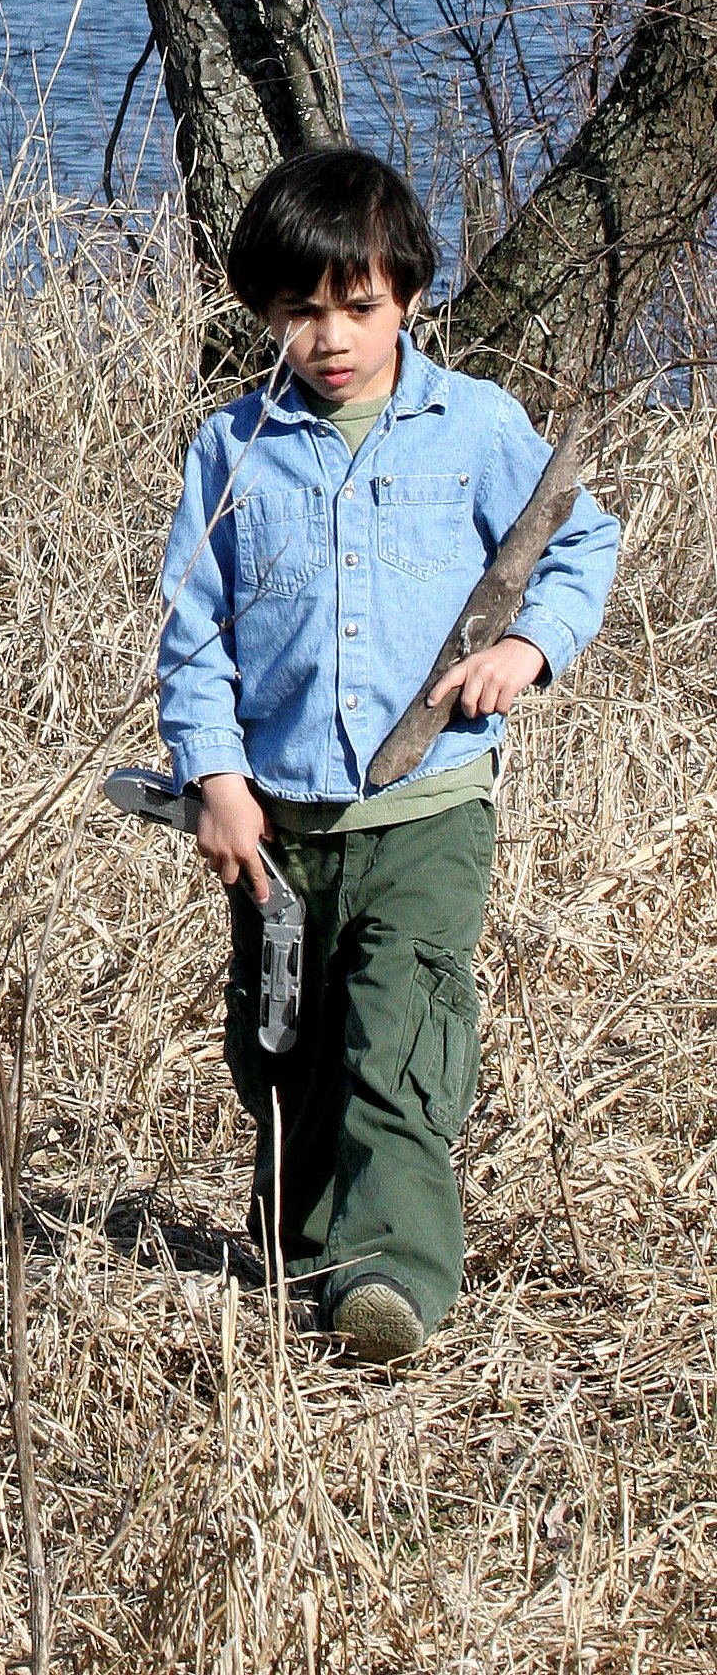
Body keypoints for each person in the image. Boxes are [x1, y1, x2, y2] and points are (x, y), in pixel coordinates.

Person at [157, 144, 617, 1364]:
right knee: (288, 1042)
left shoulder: (472, 428)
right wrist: (214, 779)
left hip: (427, 803)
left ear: (408, 296)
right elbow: (191, 630)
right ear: (264, 310)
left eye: (357, 306)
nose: (330, 337)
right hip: (281, 820)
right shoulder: (232, 448)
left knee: (395, 1031)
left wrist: (526, 648)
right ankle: (311, 1260)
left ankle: (397, 1277)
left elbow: (578, 543)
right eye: (300, 312)